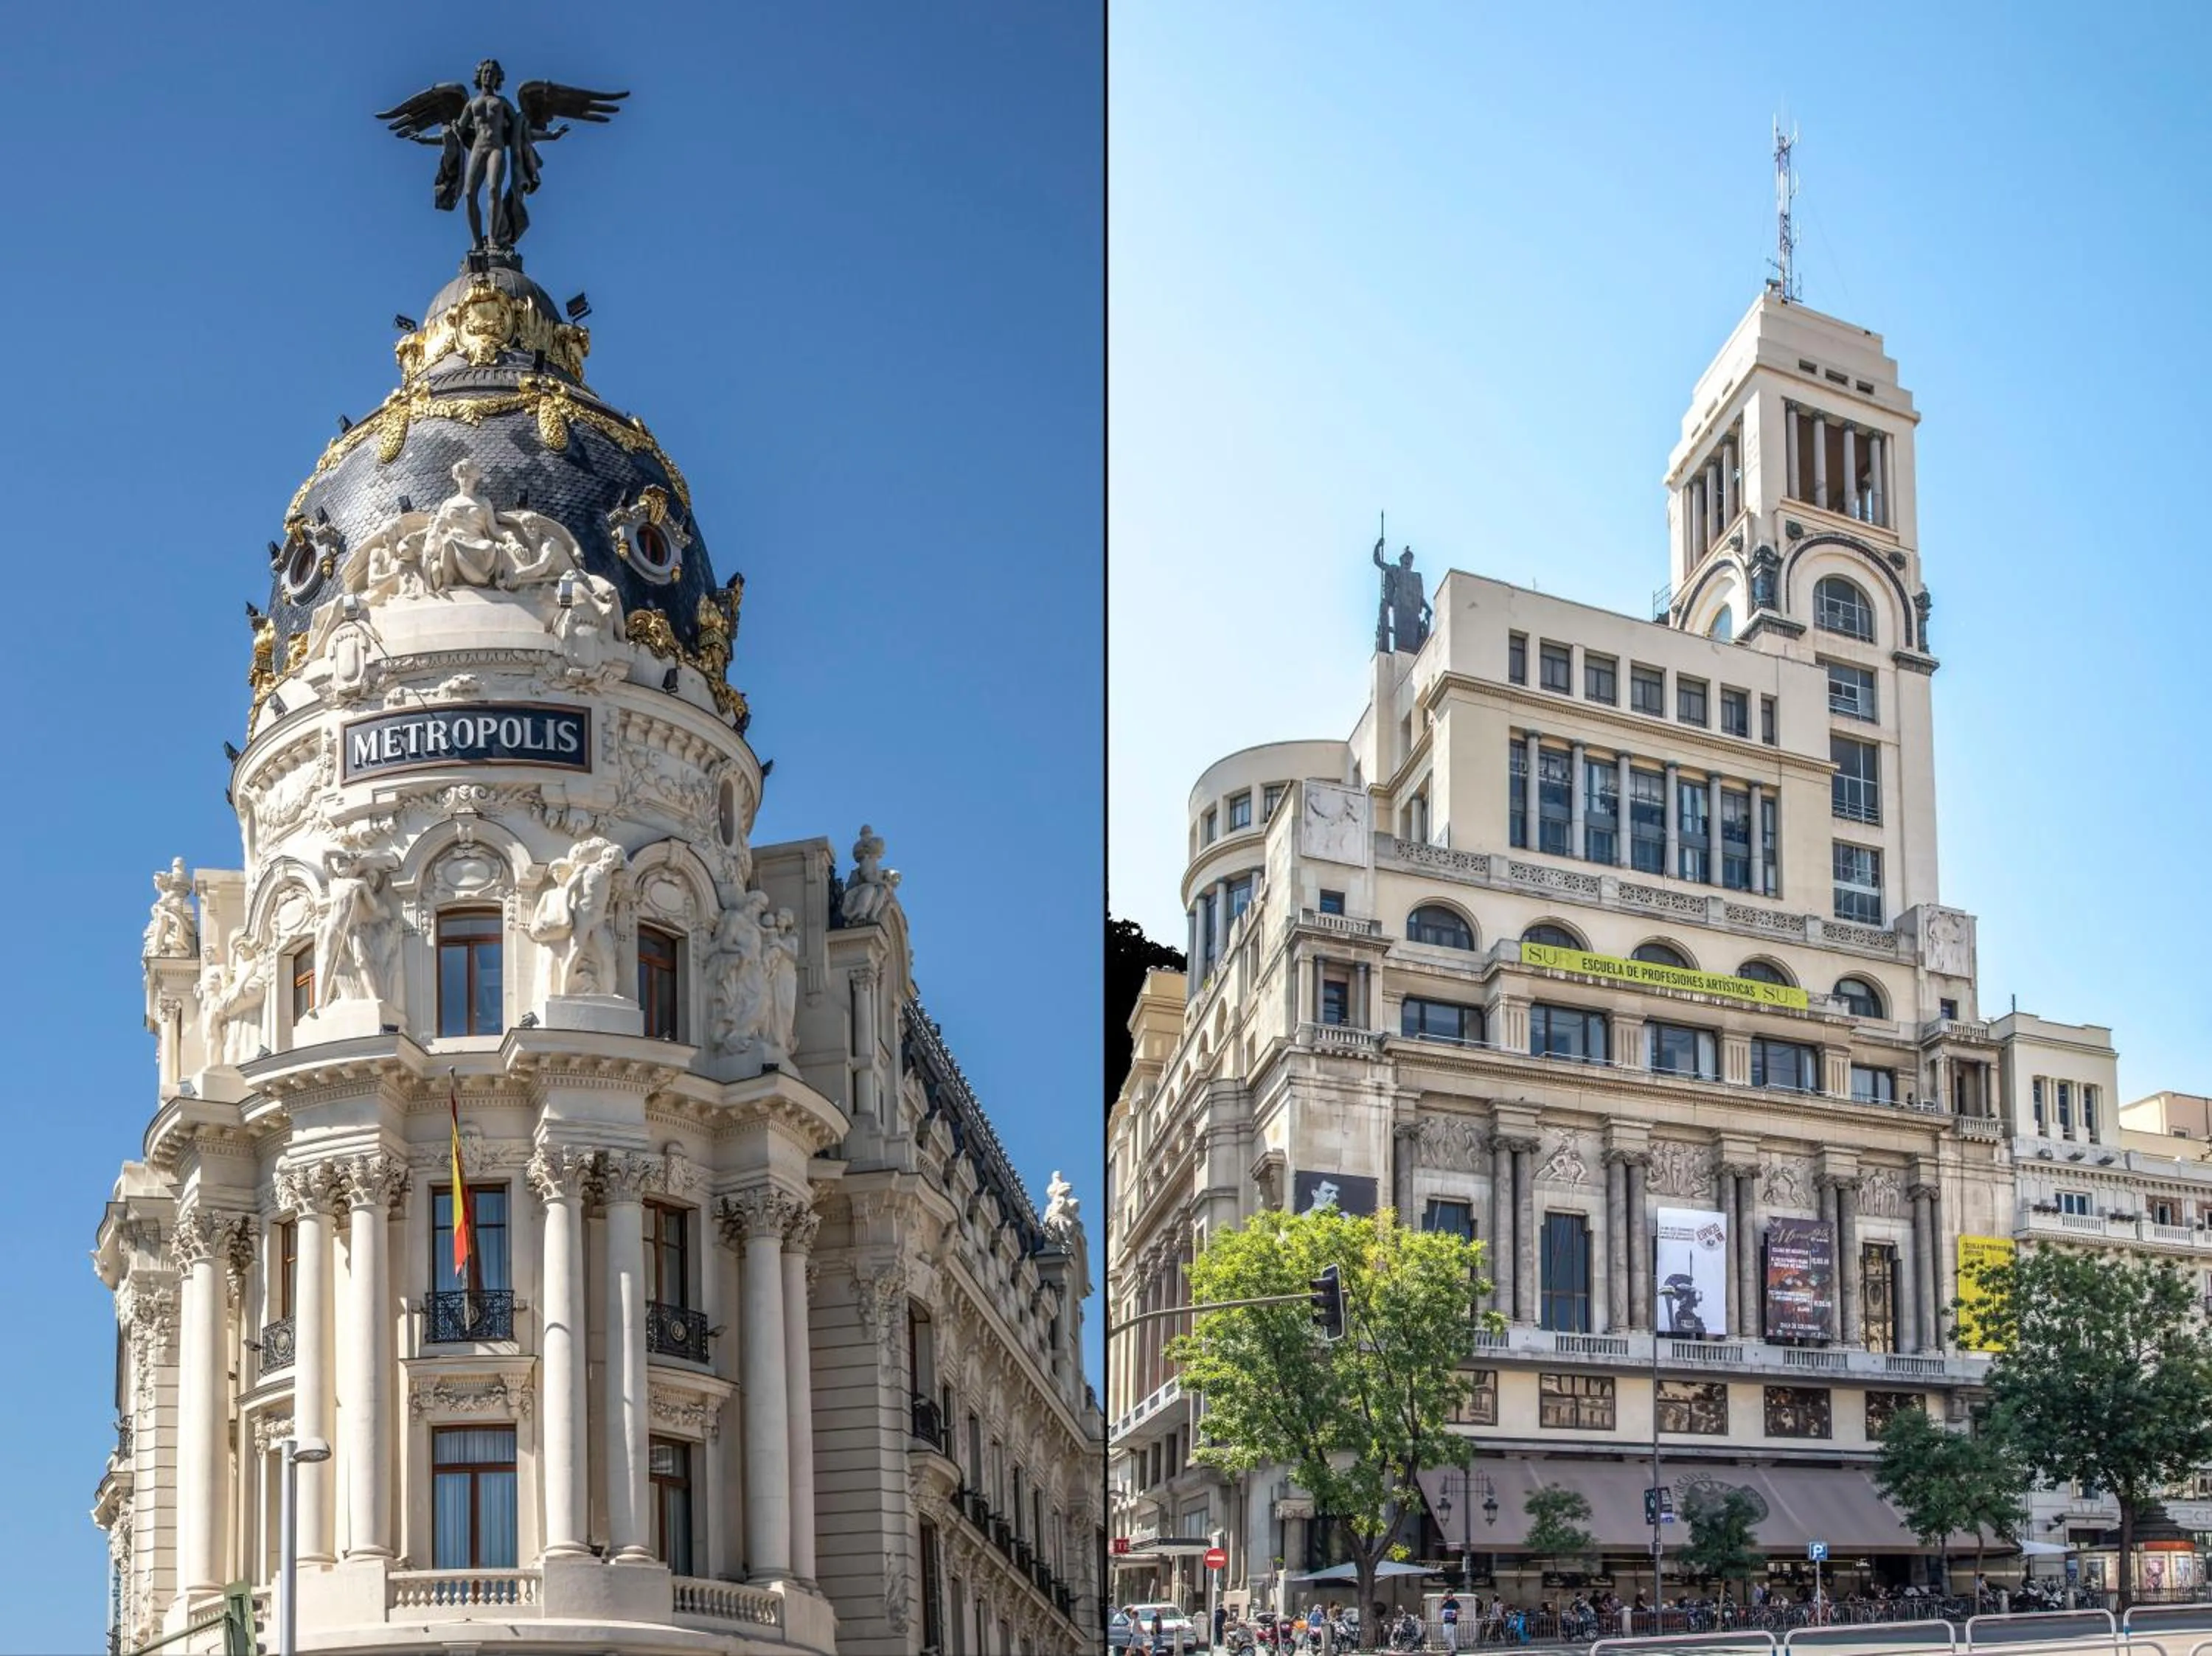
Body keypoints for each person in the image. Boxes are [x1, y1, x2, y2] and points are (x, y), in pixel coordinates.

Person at [1441, 1589, 1461, 1655]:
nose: (1444, 1595)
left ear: (1449, 1594)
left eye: (1445, 1593)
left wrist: (1453, 1613)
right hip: (1446, 1621)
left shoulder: (1454, 1602)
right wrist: (1442, 1601)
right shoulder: (1446, 1602)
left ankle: (1452, 1650)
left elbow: (1460, 1611)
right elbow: (1440, 1609)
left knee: (1446, 1636)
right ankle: (1453, 1651)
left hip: (1451, 1622)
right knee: (1450, 1637)